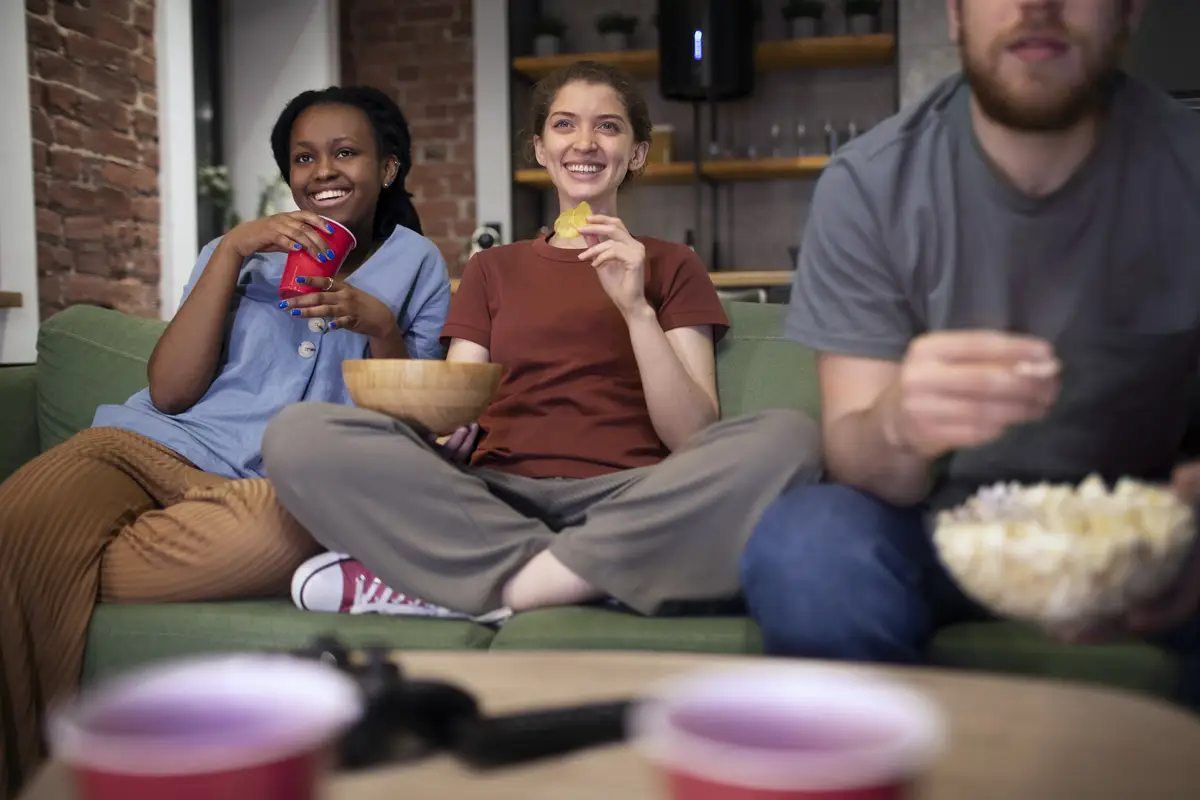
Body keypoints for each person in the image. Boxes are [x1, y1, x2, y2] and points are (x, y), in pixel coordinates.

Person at [740, 0, 1200, 701]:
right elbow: (859, 459)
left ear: (1132, 11)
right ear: (955, 14)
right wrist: (898, 421)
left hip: (1141, 535)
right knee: (806, 546)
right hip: (937, 532)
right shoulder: (870, 186)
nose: (1036, 6)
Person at [0, 85, 450, 796]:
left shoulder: (417, 263)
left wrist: (380, 326)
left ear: (387, 169)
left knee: (285, 534)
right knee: (13, 519)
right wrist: (235, 247)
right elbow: (172, 391)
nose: (323, 171)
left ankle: (48, 562)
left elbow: (410, 428)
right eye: (305, 158)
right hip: (145, 448)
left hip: (270, 490)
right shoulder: (237, 252)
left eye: (345, 153)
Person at [263, 61, 820, 623]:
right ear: (539, 148)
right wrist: (442, 434)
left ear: (637, 153)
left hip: (632, 498)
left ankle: (497, 586)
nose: (584, 141)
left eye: (608, 126)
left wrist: (635, 307)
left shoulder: (672, 265)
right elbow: (458, 398)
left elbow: (693, 438)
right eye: (563, 125)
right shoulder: (492, 268)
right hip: (494, 495)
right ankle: (593, 576)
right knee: (298, 434)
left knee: (790, 437)